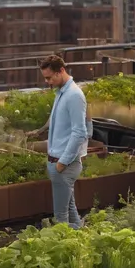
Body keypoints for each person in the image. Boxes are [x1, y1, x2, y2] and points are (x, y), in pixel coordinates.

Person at [38, 55, 87, 228]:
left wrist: (62, 162)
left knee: (60, 218)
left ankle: (68, 248)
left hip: (64, 164)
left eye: (49, 77)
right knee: (71, 210)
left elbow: (80, 132)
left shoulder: (74, 95)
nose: (47, 82)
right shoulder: (62, 92)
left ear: (61, 71)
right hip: (57, 161)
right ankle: (82, 243)